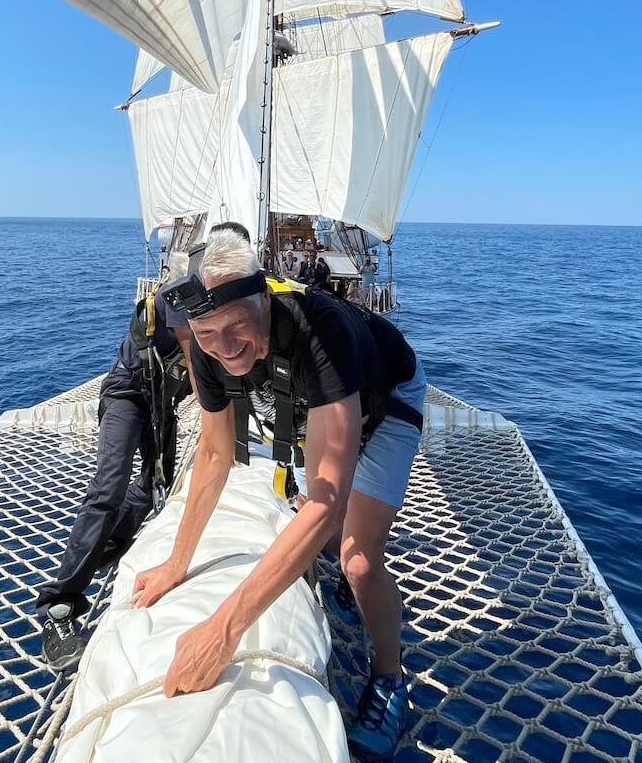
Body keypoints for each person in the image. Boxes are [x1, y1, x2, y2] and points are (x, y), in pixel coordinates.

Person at [137, 229, 426, 763]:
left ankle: (390, 676)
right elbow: (215, 454)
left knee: (358, 560)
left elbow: (328, 495)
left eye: (237, 326)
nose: (224, 349)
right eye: (206, 334)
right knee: (319, 527)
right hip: (327, 405)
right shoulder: (207, 344)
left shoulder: (322, 328)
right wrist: (177, 564)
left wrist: (225, 630)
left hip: (386, 400)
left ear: (264, 298)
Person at [36, 275, 195, 670]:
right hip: (128, 393)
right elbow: (194, 360)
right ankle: (60, 603)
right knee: (109, 487)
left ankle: (111, 545)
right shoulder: (177, 298)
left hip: (162, 404)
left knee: (155, 484)